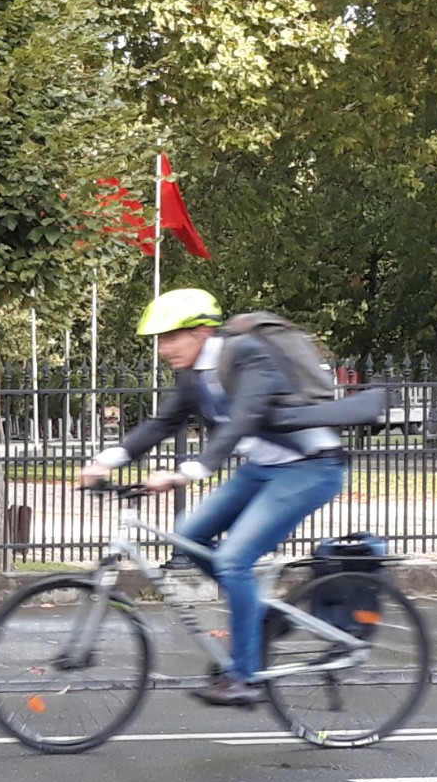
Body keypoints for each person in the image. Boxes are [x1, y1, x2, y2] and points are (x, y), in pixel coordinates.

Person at [80, 288, 346, 706]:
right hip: (262, 468)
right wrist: (107, 459)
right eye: (160, 340)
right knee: (188, 535)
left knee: (232, 560)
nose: (164, 348)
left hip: (310, 467)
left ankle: (244, 677)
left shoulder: (247, 355)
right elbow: (161, 422)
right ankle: (261, 616)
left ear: (202, 331)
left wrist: (189, 470)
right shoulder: (192, 376)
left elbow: (242, 418)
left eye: (172, 337)